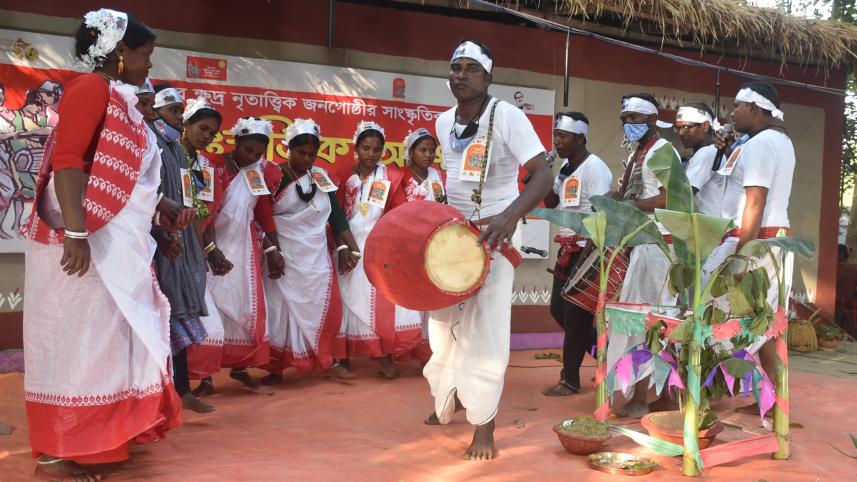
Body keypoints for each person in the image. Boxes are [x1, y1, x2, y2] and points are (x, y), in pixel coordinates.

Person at [21, 9, 181, 481]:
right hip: (83, 238)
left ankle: (100, 437)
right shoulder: (90, 89)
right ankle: (57, 450)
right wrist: (75, 233)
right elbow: (69, 161)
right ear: (118, 52)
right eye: (145, 55)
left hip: (109, 237)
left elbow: (120, 177)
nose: (150, 65)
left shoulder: (122, 98)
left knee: (109, 339)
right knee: (77, 340)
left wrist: (162, 206)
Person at [423, 39, 552, 460]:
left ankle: (485, 424)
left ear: (488, 77)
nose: (459, 75)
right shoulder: (444, 122)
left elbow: (543, 175)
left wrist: (510, 217)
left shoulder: (507, 116)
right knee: (442, 325)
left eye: (470, 68)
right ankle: (451, 392)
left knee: (487, 331)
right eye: (454, 67)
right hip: (453, 238)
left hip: (495, 236)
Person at [706, 81, 794, 416]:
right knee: (766, 325)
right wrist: (730, 150)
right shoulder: (773, 140)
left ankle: (712, 396)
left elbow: (754, 203)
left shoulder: (761, 145)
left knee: (730, 318)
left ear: (754, 109)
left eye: (735, 107)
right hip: (767, 239)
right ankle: (773, 402)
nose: (730, 114)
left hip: (755, 241)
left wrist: (741, 256)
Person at [257, 118, 360, 383]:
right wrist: (272, 251)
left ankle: (327, 359)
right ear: (288, 149)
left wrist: (351, 247)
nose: (307, 159)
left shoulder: (321, 178)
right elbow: (263, 216)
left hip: (315, 256)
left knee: (322, 307)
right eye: (301, 153)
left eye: (312, 154)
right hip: (283, 254)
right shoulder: (274, 175)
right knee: (281, 311)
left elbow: (336, 217)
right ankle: (276, 368)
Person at [607, 93, 680, 418]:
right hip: (644, 245)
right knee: (642, 320)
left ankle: (649, 396)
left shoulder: (664, 150)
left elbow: (669, 198)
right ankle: (649, 395)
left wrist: (629, 206)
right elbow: (632, 194)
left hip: (660, 247)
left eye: (635, 118)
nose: (628, 123)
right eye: (624, 118)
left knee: (654, 321)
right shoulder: (638, 153)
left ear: (651, 120)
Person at [145, 83, 216, 414]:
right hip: (153, 245)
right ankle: (164, 392)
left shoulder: (178, 152)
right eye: (174, 111)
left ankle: (182, 388)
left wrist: (197, 243)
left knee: (174, 312)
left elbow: (189, 201)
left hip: (179, 243)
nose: (178, 117)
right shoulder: (150, 144)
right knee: (160, 316)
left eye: (179, 111)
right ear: (156, 110)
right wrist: (160, 234)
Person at [335, 120, 420, 379]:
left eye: (376, 149)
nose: (371, 154)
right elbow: (334, 215)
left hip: (378, 247)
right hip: (348, 248)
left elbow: (399, 213)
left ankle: (383, 355)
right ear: (356, 148)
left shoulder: (391, 177)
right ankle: (343, 357)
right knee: (348, 300)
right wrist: (341, 247)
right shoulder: (342, 176)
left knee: (379, 302)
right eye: (366, 148)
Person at [202, 113, 281, 390]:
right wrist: (211, 249)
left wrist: (274, 248)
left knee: (242, 308)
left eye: (259, 153)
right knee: (210, 309)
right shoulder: (212, 166)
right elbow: (204, 211)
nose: (252, 157)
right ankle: (205, 375)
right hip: (209, 247)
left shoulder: (257, 172)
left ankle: (239, 366)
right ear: (236, 142)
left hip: (242, 251)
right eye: (248, 150)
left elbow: (263, 213)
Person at [542, 112, 612, 396]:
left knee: (575, 316)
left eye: (563, 136)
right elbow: (551, 203)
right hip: (568, 248)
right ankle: (606, 355)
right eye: (556, 135)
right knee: (559, 311)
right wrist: (545, 175)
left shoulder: (595, 168)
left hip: (587, 249)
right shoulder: (566, 169)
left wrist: (589, 256)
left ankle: (570, 379)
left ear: (580, 138)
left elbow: (602, 214)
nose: (557, 141)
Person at [400, 127, 445, 364]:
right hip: (408, 250)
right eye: (422, 150)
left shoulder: (438, 178)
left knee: (431, 300)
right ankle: (409, 347)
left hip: (435, 248)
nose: (428, 155)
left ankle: (429, 353)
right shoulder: (399, 177)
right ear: (411, 152)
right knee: (410, 300)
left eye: (432, 151)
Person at [675, 102, 724, 217]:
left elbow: (683, 196)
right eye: (678, 128)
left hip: (705, 228)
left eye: (687, 127)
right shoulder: (712, 151)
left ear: (705, 126)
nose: (681, 133)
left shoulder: (706, 153)